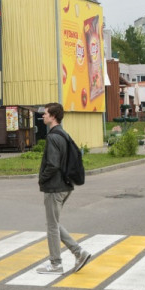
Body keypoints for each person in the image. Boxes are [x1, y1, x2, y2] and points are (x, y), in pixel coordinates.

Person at [37, 103, 91, 275]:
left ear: (53, 116)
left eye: (45, 113)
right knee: (54, 224)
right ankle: (78, 252)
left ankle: (56, 264)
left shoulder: (53, 137)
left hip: (54, 187)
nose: (43, 116)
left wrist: (41, 178)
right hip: (65, 185)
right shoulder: (63, 134)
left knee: (52, 227)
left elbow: (53, 164)